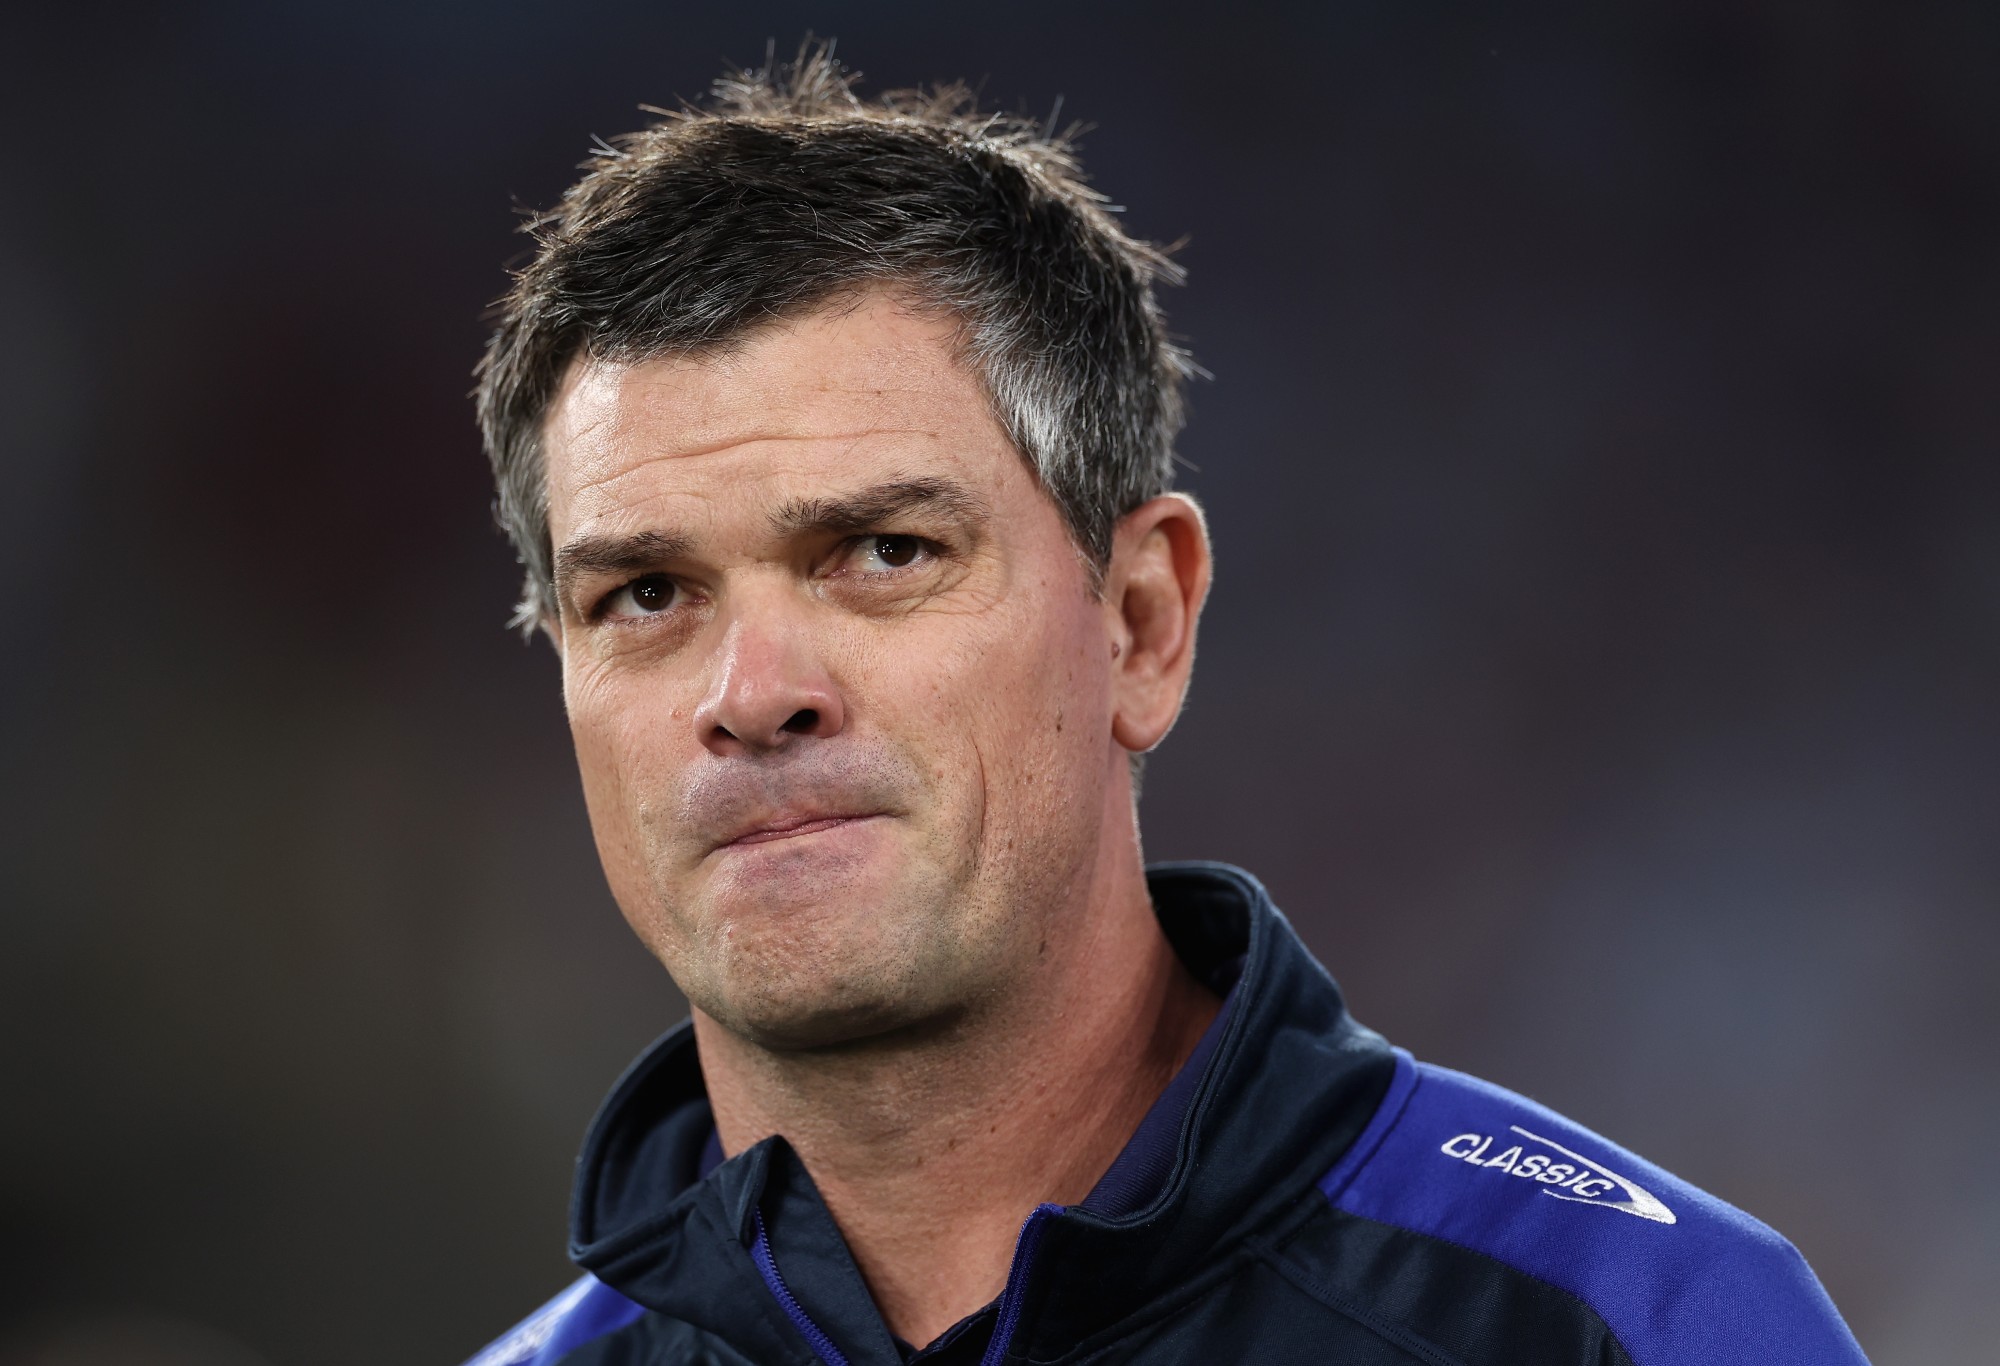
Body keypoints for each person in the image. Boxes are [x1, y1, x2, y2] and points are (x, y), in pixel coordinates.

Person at [462, 45, 1867, 1366]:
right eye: (646, 592)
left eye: (885, 552)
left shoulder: (1640, 1324)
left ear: (1141, 621)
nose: (754, 694)